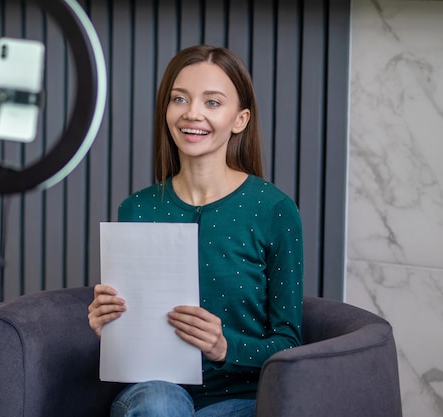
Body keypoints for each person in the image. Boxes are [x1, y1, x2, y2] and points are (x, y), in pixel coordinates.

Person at [88, 44, 304, 417]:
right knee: (159, 406)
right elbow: (131, 333)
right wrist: (107, 324)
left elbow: (288, 343)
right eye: (180, 99)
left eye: (213, 102)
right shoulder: (136, 209)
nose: (192, 114)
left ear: (240, 119)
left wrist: (224, 346)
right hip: (156, 391)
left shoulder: (274, 210)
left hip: (242, 398)